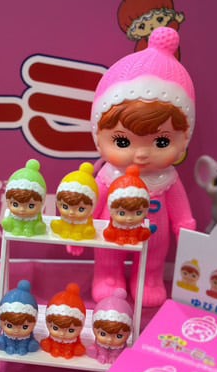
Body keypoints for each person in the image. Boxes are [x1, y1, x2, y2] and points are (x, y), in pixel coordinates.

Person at [90, 26, 196, 307]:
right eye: (123, 142)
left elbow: (181, 211)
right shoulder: (108, 175)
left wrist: (184, 228)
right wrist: (80, 223)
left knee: (153, 258)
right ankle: (108, 277)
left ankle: (148, 279)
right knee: (108, 255)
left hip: (154, 236)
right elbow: (94, 201)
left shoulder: (167, 178)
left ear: (182, 141)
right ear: (99, 137)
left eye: (161, 142)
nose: (141, 154)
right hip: (110, 231)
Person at [102, 165, 151, 246]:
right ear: (111, 211)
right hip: (118, 235)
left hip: (135, 235)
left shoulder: (136, 224)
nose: (129, 218)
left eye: (138, 213)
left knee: (135, 231)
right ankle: (121, 237)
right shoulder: (116, 224)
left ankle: (132, 237)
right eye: (122, 213)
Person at [50, 162, 98, 240]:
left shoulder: (85, 220)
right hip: (65, 227)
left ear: (92, 208)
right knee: (63, 224)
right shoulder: (65, 217)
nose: (71, 212)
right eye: (65, 207)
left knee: (87, 230)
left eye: (81, 209)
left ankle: (82, 231)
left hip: (82, 229)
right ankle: (64, 228)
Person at [1, 159, 47, 237]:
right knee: (14, 224)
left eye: (31, 206)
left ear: (41, 203)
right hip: (15, 223)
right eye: (15, 204)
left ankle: (28, 229)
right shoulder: (13, 215)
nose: (22, 210)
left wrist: (38, 226)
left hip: (32, 225)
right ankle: (17, 228)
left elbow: (39, 222)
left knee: (35, 226)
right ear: (7, 201)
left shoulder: (35, 217)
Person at [40, 283, 86, 359]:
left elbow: (79, 345)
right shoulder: (53, 337)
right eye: (55, 328)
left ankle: (67, 351)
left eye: (71, 330)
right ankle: (56, 349)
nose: (62, 334)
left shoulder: (73, 339)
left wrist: (77, 348)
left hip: (69, 348)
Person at [0, 280, 40, 355]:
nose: (16, 331)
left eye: (25, 327)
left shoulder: (27, 335)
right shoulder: (7, 334)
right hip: (8, 341)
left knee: (27, 343)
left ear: (35, 322)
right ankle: (9, 346)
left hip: (25, 342)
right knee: (5, 340)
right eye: (9, 326)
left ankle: (24, 347)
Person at [88, 289, 133, 364]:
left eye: (119, 336)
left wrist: (114, 356)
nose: (109, 340)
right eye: (103, 334)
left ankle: (115, 356)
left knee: (118, 350)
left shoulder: (120, 344)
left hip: (118, 350)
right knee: (101, 347)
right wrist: (102, 355)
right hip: (100, 348)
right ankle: (102, 354)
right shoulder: (100, 341)